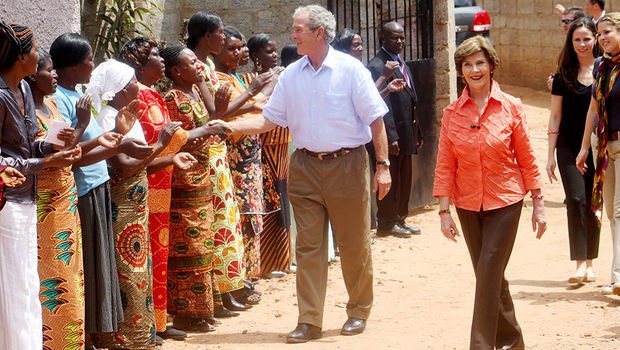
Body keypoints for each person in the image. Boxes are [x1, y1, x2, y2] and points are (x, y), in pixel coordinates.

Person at [220, 4, 391, 343]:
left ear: (319, 33)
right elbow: (270, 120)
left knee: (354, 243)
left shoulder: (351, 70)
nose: (292, 34)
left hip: (348, 164)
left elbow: (375, 119)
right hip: (305, 166)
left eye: (298, 29)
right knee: (308, 248)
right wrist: (231, 126)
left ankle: (358, 310)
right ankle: (309, 319)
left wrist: (383, 167)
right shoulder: (292, 74)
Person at [434, 35, 546, 350]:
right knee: (490, 276)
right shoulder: (452, 114)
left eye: (480, 62)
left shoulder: (512, 107)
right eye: (468, 64)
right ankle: (512, 341)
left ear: (491, 65)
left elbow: (526, 158)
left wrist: (538, 203)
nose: (474, 69)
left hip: (506, 200)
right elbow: (445, 164)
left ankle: (481, 345)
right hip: (467, 205)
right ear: (460, 71)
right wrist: (444, 212)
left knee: (488, 270)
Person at [50, 32, 149, 347]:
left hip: (97, 185)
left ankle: (98, 331)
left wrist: (117, 135)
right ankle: (91, 333)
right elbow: (72, 155)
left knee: (99, 263)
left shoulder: (79, 97)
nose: (93, 65)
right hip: (83, 189)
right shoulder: (62, 102)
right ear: (75, 65)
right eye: (89, 60)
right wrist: (115, 141)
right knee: (91, 266)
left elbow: (94, 146)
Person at [0, 21, 81, 350]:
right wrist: (43, 164)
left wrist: (52, 146)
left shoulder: (20, 91)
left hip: (27, 198)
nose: (38, 56)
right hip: (8, 202)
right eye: (34, 50)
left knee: (27, 284)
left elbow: (27, 145)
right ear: (21, 57)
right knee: (16, 286)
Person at [118, 37, 196, 342]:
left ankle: (159, 321)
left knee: (159, 254)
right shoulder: (137, 98)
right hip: (145, 183)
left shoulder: (156, 95)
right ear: (139, 64)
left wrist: (172, 155)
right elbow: (147, 144)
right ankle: (147, 324)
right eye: (154, 56)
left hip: (163, 181)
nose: (161, 59)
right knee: (144, 256)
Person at [160, 45, 236, 330]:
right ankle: (186, 313)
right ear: (177, 71)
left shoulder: (194, 94)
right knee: (188, 246)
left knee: (204, 242)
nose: (199, 67)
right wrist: (208, 127)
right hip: (184, 182)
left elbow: (211, 124)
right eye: (192, 63)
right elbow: (177, 138)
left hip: (201, 178)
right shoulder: (173, 97)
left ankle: (203, 308)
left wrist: (217, 109)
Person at [186, 13, 253, 316]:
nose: (225, 39)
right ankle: (216, 294)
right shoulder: (196, 68)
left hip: (217, 149)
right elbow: (216, 113)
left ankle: (225, 290)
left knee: (224, 224)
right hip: (206, 151)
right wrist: (252, 92)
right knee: (214, 224)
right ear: (205, 36)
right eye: (221, 33)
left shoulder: (208, 66)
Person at [26, 48, 89, 350]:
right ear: (30, 74)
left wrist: (77, 139)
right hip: (42, 204)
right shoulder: (24, 111)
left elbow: (63, 148)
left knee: (71, 272)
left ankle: (70, 342)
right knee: (50, 275)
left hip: (66, 197)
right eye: (48, 70)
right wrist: (81, 126)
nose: (53, 75)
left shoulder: (51, 104)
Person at [547, 18, 600, 285]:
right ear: (570, 42)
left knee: (593, 203)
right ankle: (579, 263)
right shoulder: (562, 76)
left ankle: (591, 262)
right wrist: (549, 155)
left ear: (595, 39)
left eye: (586, 39)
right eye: (577, 39)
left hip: (596, 146)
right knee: (576, 199)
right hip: (568, 148)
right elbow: (555, 116)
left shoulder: (605, 70)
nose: (582, 44)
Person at [214, 26, 268, 285]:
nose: (237, 53)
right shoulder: (219, 80)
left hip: (249, 155)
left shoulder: (234, 78)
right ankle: (241, 276)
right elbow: (226, 114)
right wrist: (260, 89)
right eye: (231, 49)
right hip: (237, 156)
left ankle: (251, 274)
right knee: (243, 215)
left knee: (252, 215)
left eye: (239, 48)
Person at [576, 12, 620, 296]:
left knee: (619, 209)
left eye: (608, 32)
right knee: (611, 213)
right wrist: (583, 146)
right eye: (600, 33)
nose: (602, 38)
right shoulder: (601, 67)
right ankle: (617, 276)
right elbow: (593, 108)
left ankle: (618, 278)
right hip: (604, 145)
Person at [367, 21, 422, 238]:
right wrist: (390, 136)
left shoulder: (401, 63)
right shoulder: (377, 66)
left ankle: (400, 218)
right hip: (392, 135)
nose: (399, 41)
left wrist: (418, 132)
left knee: (404, 178)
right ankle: (387, 222)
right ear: (383, 39)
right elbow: (381, 106)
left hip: (407, 132)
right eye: (394, 38)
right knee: (391, 180)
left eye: (401, 37)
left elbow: (413, 100)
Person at [246, 33, 292, 278]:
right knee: (267, 200)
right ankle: (265, 261)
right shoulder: (249, 80)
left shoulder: (284, 78)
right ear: (255, 56)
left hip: (283, 145)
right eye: (268, 51)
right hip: (263, 147)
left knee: (282, 199)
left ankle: (282, 259)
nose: (274, 55)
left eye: (275, 51)